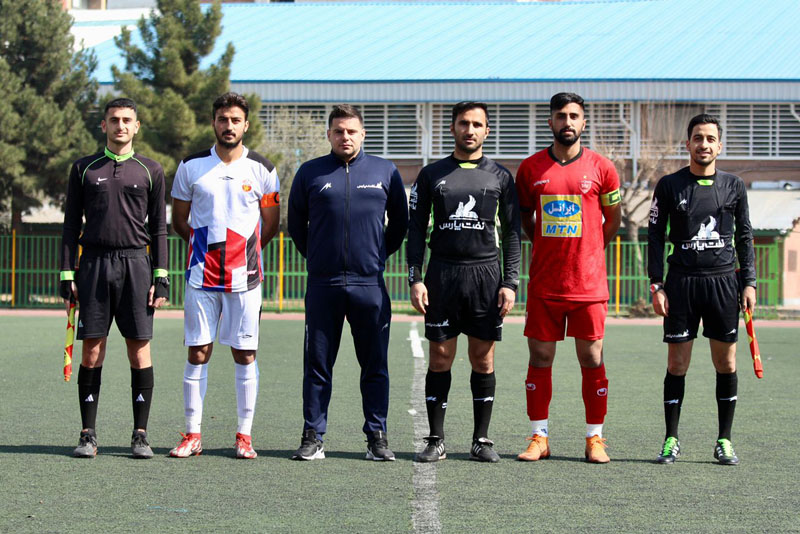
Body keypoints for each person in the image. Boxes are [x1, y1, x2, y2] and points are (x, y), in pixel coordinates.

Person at [287, 104, 408, 461]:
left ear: (362, 134)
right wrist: (318, 259)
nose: (345, 137)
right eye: (338, 131)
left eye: (351, 131)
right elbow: (296, 225)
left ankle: (377, 437)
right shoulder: (310, 172)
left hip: (369, 285)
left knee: (375, 365)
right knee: (317, 365)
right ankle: (313, 435)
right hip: (323, 285)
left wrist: (375, 257)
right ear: (329, 134)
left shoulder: (385, 171)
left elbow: (399, 224)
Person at [407, 101, 521, 463]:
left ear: (486, 130)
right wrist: (415, 277)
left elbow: (513, 233)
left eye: (476, 124)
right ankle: (435, 439)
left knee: (482, 359)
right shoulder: (431, 174)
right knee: (440, 356)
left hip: (486, 276)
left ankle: (481, 439)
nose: (469, 130)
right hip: (442, 274)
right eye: (463, 123)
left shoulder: (500, 176)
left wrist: (511, 282)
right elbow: (415, 229)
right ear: (452, 128)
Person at [170, 92, 280, 459]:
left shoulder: (263, 169)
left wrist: (244, 253)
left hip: (245, 278)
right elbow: (179, 221)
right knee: (197, 351)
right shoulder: (190, 166)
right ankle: (192, 434)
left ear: (246, 125)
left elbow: (271, 224)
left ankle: (244, 436)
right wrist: (203, 250)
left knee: (245, 353)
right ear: (213, 123)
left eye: (235, 120)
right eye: (222, 119)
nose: (228, 126)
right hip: (201, 275)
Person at [515, 92, 621, 464]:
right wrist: (547, 248)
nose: (568, 122)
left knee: (591, 356)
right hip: (545, 283)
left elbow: (613, 220)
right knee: (540, 356)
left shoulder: (603, 168)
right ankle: (539, 436)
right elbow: (526, 220)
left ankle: (595, 438)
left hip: (588, 284)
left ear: (583, 122)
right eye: (561, 116)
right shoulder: (530, 169)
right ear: (551, 122)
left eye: (574, 116)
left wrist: (590, 248)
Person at [60, 97, 168, 459]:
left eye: (126, 120)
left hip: (136, 265)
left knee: (139, 349)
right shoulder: (83, 168)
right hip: (93, 265)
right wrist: (66, 272)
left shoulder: (151, 170)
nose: (120, 125)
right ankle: (87, 434)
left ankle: (141, 435)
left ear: (136, 126)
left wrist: (161, 275)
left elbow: (159, 228)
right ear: (103, 125)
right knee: (92, 350)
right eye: (114, 120)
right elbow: (70, 224)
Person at [648, 114, 756, 466]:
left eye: (710, 139)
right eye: (698, 138)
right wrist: (656, 284)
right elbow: (654, 237)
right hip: (681, 284)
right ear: (688, 144)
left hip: (723, 283)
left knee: (726, 363)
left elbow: (744, 236)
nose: (704, 144)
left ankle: (724, 440)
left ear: (719, 145)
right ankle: (671, 439)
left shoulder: (734, 185)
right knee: (677, 364)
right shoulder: (669, 185)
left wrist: (749, 282)